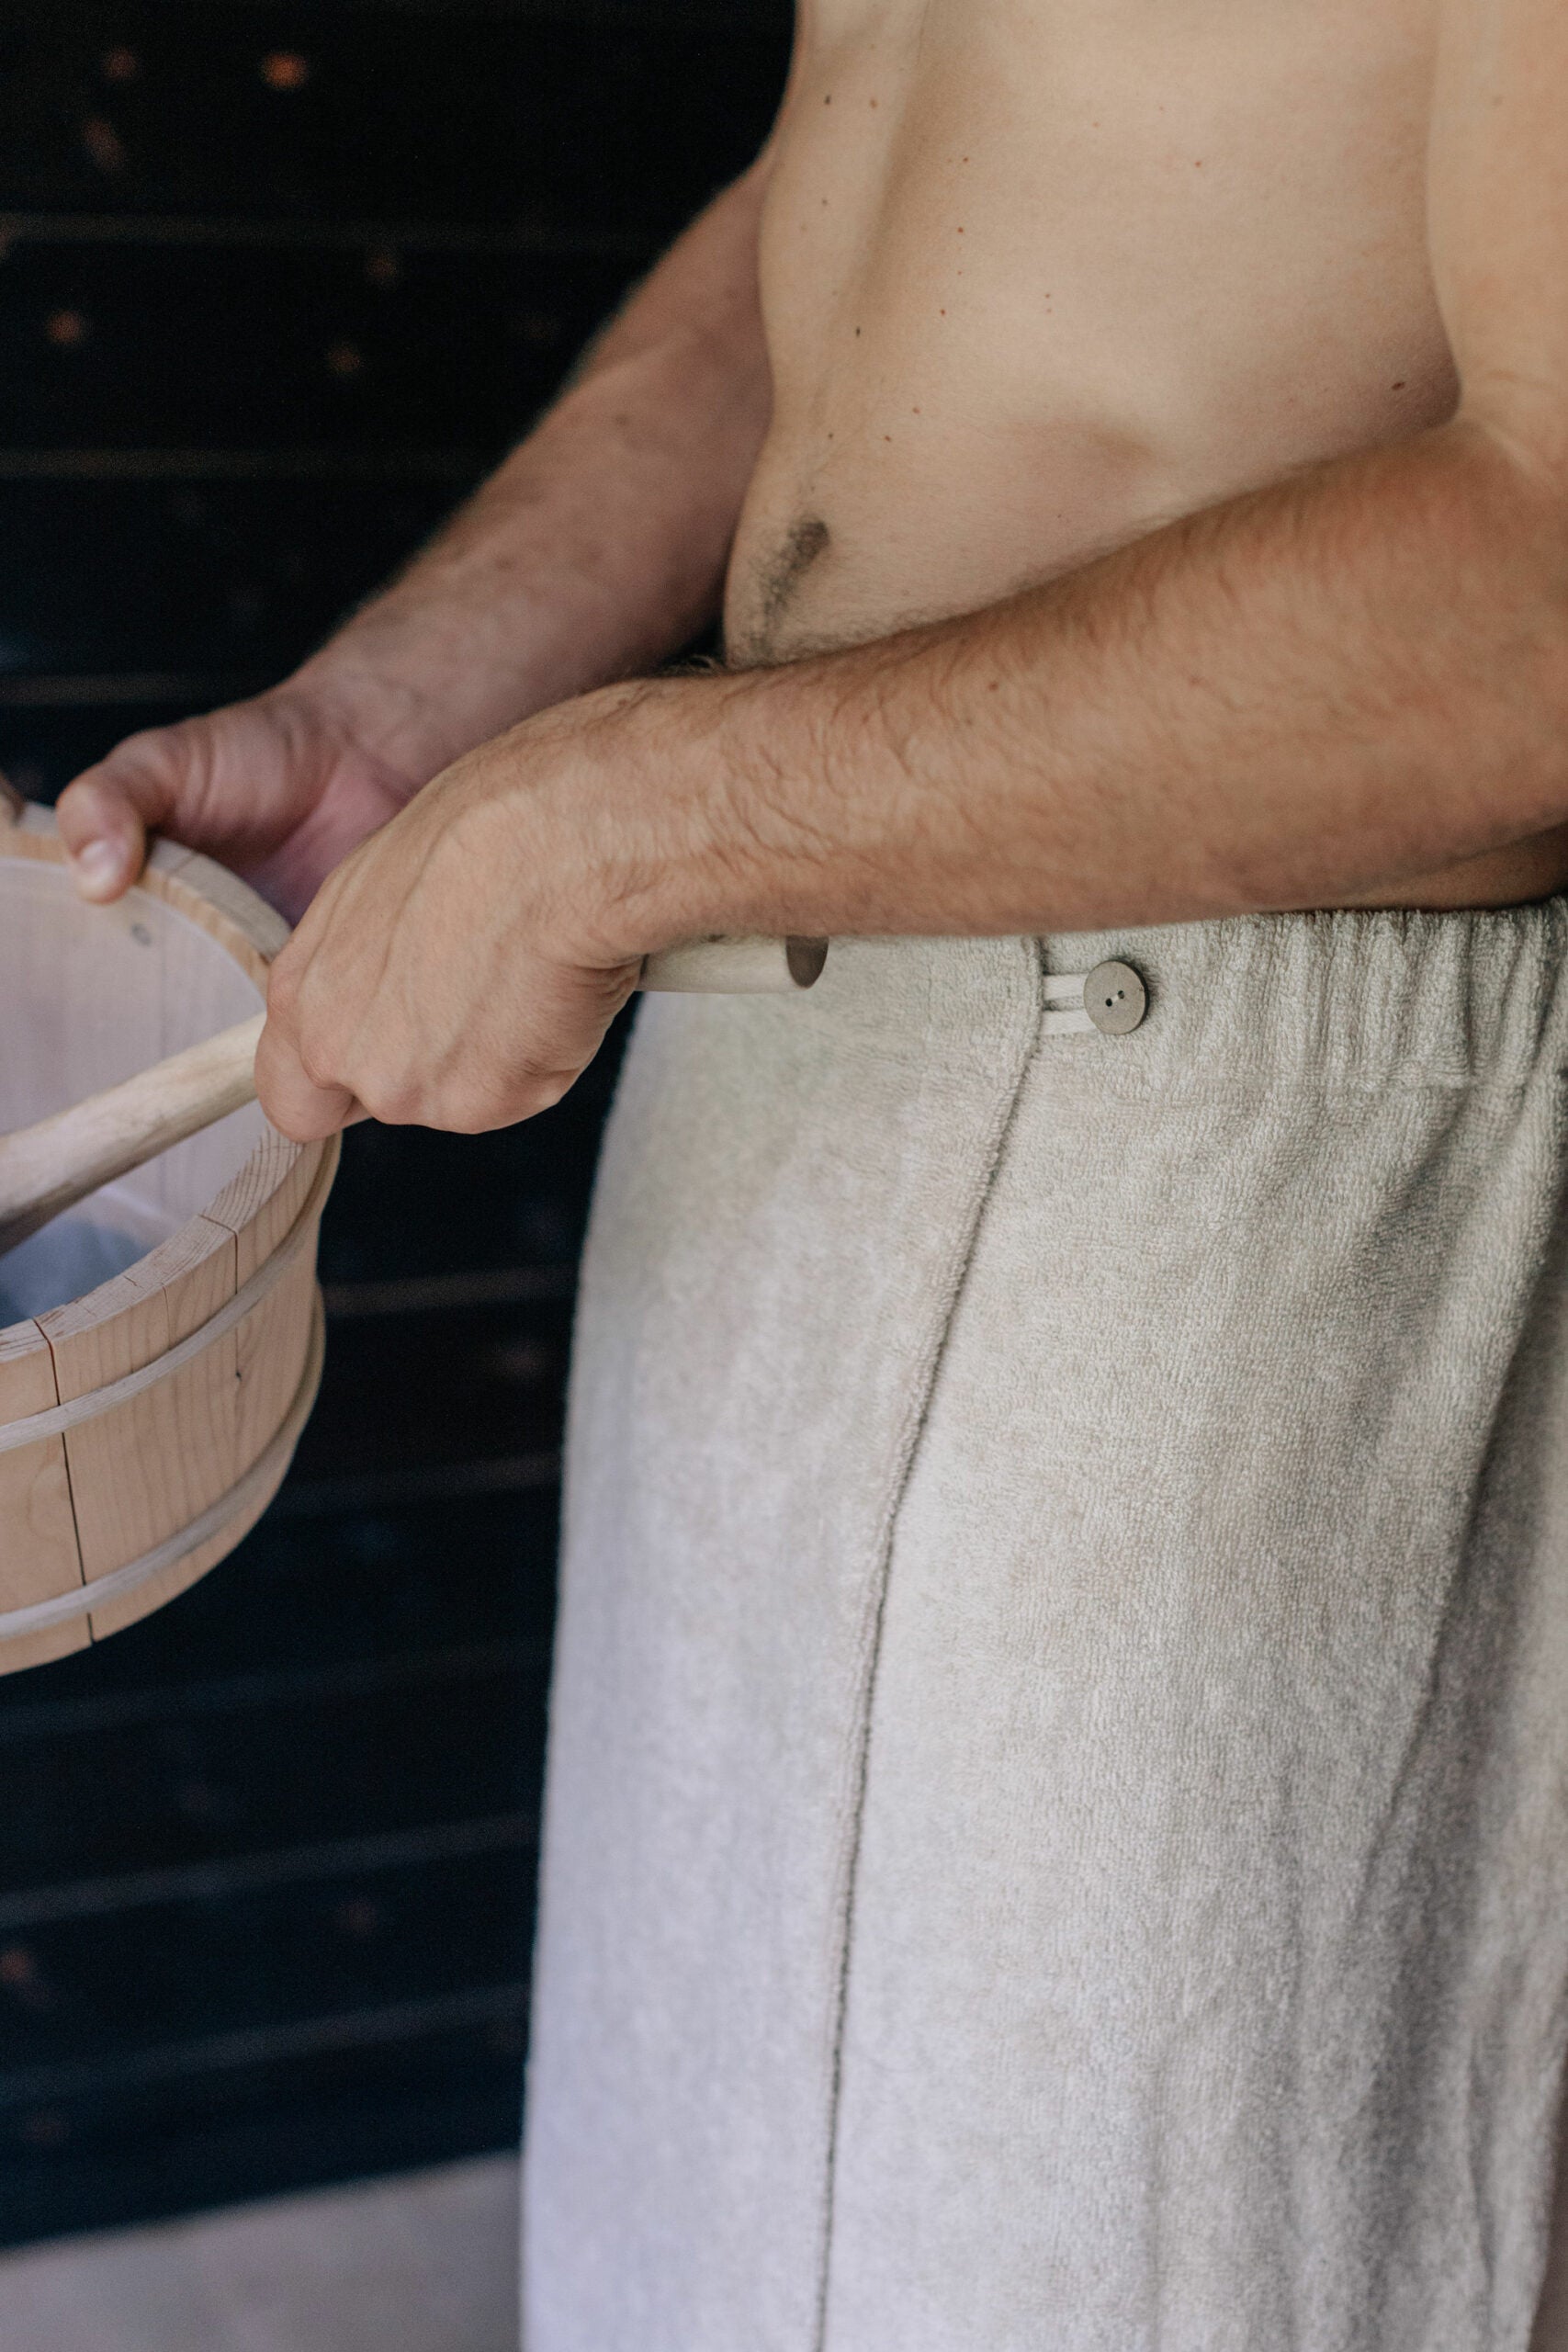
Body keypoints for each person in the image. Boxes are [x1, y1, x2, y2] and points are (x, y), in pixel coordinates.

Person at [55, 0, 1568, 2341]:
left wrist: (626, 814)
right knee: (695, 2248)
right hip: (777, 1034)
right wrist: (426, 703)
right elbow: (879, 136)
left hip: (1188, 1127)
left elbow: (1542, 590)